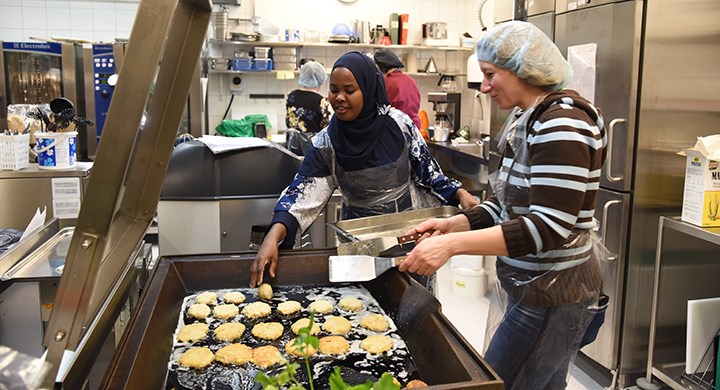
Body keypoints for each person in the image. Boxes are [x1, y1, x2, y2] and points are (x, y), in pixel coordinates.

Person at [398, 21, 608, 390]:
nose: (484, 86)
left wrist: (449, 247)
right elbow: (510, 205)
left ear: (524, 69)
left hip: (553, 291)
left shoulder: (561, 123)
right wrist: (455, 225)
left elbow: (548, 227)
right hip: (535, 284)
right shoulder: (528, 119)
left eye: (491, 74)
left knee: (495, 383)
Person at [251, 51, 478, 288]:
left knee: (413, 304)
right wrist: (273, 236)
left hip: (411, 239)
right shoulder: (326, 144)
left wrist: (459, 193)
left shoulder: (398, 126)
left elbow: (428, 172)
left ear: (368, 90)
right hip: (359, 245)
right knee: (364, 306)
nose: (338, 97)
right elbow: (301, 195)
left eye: (349, 91)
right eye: (334, 89)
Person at [372, 48, 422, 129]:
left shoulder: (386, 83)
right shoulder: (410, 80)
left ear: (381, 67)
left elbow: (379, 110)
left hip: (397, 129)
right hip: (415, 128)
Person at [285, 61, 332, 133]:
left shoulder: (291, 96)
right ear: (319, 80)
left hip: (292, 143)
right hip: (312, 143)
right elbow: (326, 129)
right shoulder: (321, 102)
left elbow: (288, 122)